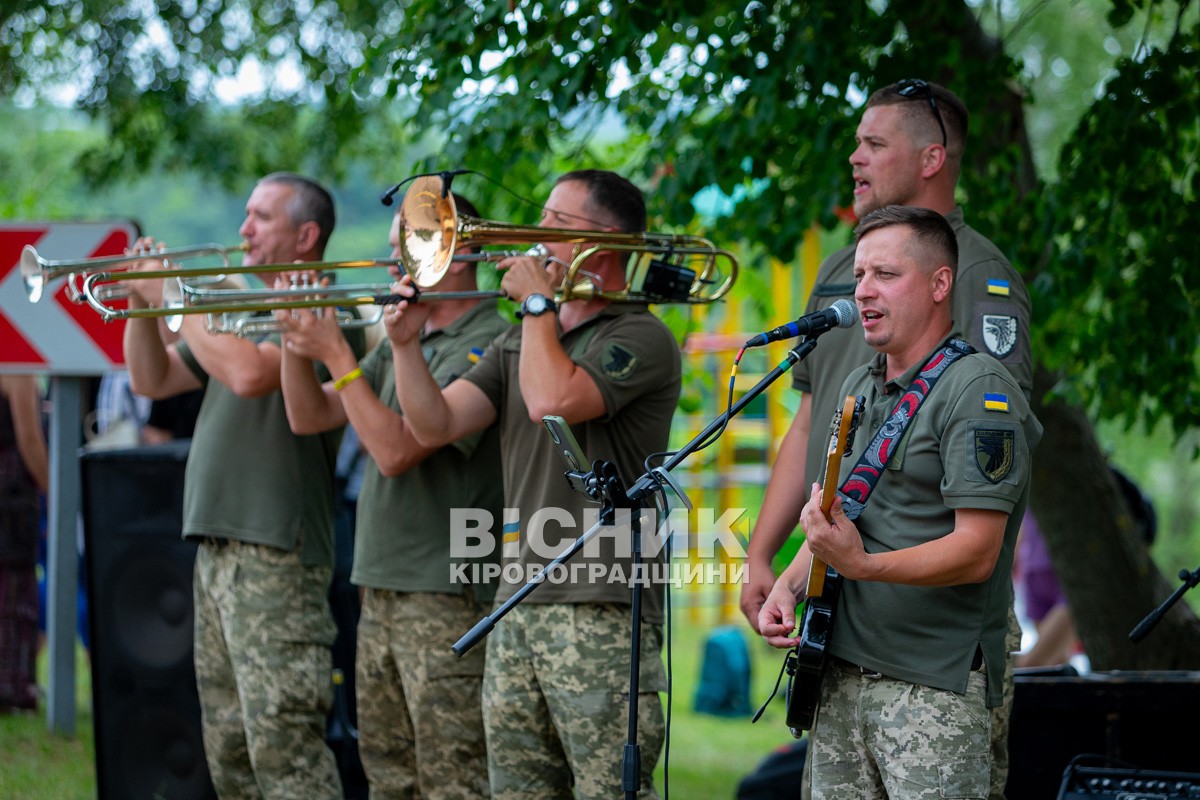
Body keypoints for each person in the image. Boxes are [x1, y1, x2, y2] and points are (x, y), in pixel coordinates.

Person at [739, 79, 1033, 799]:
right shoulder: (862, 363)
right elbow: (843, 471)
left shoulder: (977, 311)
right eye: (862, 275)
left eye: (874, 143)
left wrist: (861, 566)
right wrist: (780, 569)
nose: (863, 290)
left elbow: (981, 511)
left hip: (933, 663)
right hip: (841, 647)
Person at [384, 169, 680, 799]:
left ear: (605, 243)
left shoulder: (640, 335)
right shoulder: (524, 336)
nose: (534, 235)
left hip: (602, 601)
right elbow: (434, 424)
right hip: (518, 598)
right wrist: (405, 346)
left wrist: (540, 305)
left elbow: (553, 398)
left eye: (555, 224)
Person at [122, 172, 365, 799]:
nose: (243, 229)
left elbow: (251, 375)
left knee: (285, 751)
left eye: (260, 217)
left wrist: (172, 293)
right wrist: (144, 305)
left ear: (306, 236)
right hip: (219, 548)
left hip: (277, 549)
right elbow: (151, 380)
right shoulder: (245, 312)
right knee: (229, 750)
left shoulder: (325, 310)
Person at [274, 193, 511, 797]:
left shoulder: (489, 340)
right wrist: (293, 338)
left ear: (456, 255)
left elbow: (398, 450)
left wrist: (336, 353)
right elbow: (307, 417)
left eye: (404, 248)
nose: (390, 264)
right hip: (382, 583)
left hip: (446, 592)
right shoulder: (408, 336)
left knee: (450, 778)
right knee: (389, 776)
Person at [0, 374, 49, 713]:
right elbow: (29, 439)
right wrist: (56, 490)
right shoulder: (15, 363)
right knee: (13, 592)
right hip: (10, 491)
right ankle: (12, 687)